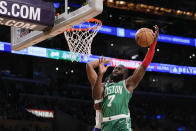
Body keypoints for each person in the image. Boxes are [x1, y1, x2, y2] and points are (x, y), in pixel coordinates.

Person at [92, 25, 159, 131]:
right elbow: (95, 96)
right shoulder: (104, 85)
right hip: (106, 124)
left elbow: (144, 65)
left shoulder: (128, 84)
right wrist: (100, 75)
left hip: (122, 122)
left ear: (125, 73)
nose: (116, 69)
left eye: (120, 68)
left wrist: (153, 44)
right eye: (115, 68)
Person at [86, 58, 110, 131]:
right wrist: (104, 61)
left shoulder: (120, 92)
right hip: (100, 128)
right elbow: (89, 65)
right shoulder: (100, 87)